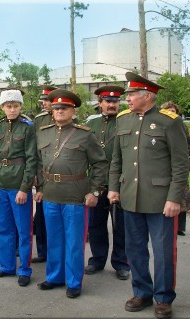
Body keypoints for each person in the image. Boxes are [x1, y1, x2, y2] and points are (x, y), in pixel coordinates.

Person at [108, 72, 188, 319]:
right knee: (135, 250)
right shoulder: (123, 120)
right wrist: (113, 188)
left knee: (164, 251)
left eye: (131, 95)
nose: (127, 99)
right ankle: (141, 292)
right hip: (130, 197)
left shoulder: (169, 122)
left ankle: (163, 298)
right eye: (128, 95)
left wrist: (175, 198)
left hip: (161, 200)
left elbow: (181, 163)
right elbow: (116, 159)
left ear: (147, 96)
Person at [34, 89, 108, 299]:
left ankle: (74, 281)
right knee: (54, 238)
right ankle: (55, 276)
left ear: (73, 110)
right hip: (50, 193)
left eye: (64, 108)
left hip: (75, 194)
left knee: (74, 241)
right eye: (56, 108)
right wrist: (39, 188)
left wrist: (94, 191)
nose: (59, 111)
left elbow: (100, 164)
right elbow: (39, 162)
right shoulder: (44, 132)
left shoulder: (84, 134)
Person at [0, 89, 37, 286]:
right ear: (2, 107)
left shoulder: (27, 127)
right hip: (2, 184)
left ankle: (24, 269)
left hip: (18, 185)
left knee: (24, 230)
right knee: (4, 229)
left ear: (20, 107)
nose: (12, 109)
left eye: (16, 106)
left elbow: (32, 159)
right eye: (8, 106)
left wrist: (25, 188)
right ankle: (7, 266)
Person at [85, 86, 130, 280]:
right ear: (100, 103)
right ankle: (97, 259)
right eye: (108, 101)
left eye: (115, 102)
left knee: (121, 225)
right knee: (95, 224)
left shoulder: (125, 120)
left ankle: (121, 263)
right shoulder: (90, 122)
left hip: (119, 182)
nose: (112, 105)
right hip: (96, 180)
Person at [31, 84, 59, 263]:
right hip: (42, 174)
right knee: (40, 216)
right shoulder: (39, 120)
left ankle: (55, 253)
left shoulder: (66, 118)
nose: (43, 103)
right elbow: (34, 149)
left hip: (60, 175)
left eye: (46, 100)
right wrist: (35, 173)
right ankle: (42, 252)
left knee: (56, 218)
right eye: (42, 99)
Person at [160, 101, 188, 237]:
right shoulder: (160, 125)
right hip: (164, 170)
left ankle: (179, 226)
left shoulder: (179, 124)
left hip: (177, 169)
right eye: (168, 110)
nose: (171, 113)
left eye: (173, 111)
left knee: (180, 198)